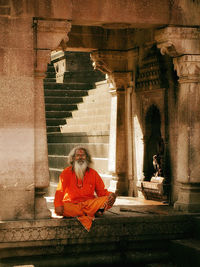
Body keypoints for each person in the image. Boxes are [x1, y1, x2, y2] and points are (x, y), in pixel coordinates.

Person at [54, 146, 117, 231]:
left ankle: (86, 212)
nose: (80, 157)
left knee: (106, 200)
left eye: (83, 155)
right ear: (73, 158)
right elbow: (60, 191)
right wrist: (58, 205)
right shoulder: (66, 172)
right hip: (72, 204)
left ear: (87, 158)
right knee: (62, 208)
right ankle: (92, 212)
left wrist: (111, 195)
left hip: (88, 204)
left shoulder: (93, 174)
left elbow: (102, 192)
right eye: (78, 155)